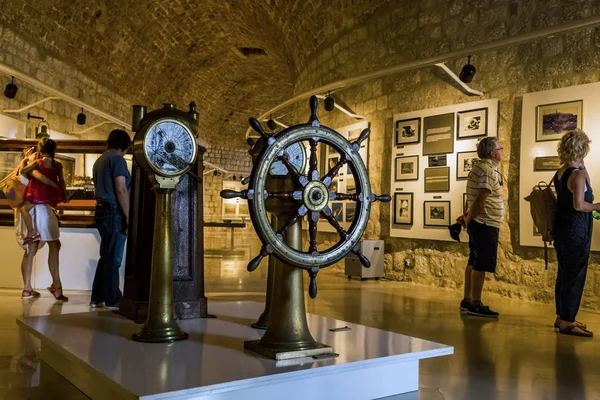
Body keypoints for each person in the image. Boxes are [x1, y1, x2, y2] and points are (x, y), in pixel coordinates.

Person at [553, 129, 596, 337]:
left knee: (564, 273)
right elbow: (579, 205)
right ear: (582, 149)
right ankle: (568, 321)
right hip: (576, 229)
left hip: (563, 229)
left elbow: (585, 184)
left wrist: (581, 164)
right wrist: (597, 206)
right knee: (575, 275)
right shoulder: (577, 175)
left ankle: (562, 316)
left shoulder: (561, 172)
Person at [457, 137, 504, 318]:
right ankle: (475, 303)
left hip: (481, 222)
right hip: (486, 222)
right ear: (493, 153)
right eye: (500, 148)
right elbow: (481, 199)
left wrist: (468, 217)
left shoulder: (481, 168)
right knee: (480, 263)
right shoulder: (486, 169)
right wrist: (469, 219)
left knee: (473, 260)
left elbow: (477, 198)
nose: (502, 151)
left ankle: (467, 299)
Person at [20, 138, 68, 301]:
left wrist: (27, 159)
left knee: (31, 249)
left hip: (33, 205)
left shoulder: (36, 163)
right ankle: (57, 287)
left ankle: (27, 289)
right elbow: (62, 184)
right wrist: (61, 193)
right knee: (54, 244)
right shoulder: (58, 165)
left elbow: (24, 172)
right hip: (45, 207)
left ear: (40, 149)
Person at [91, 129, 131, 309]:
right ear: (124, 147)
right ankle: (113, 299)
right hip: (114, 212)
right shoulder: (117, 160)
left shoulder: (99, 161)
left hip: (101, 212)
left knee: (105, 255)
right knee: (114, 257)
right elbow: (121, 189)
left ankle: (97, 297)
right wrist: (129, 216)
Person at [17, 146, 61, 245]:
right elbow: (43, 179)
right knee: (37, 247)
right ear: (28, 155)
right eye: (34, 153)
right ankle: (31, 231)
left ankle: (31, 232)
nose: (37, 155)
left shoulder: (33, 166)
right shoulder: (32, 168)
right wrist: (56, 186)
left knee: (38, 247)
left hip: (36, 207)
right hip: (35, 209)